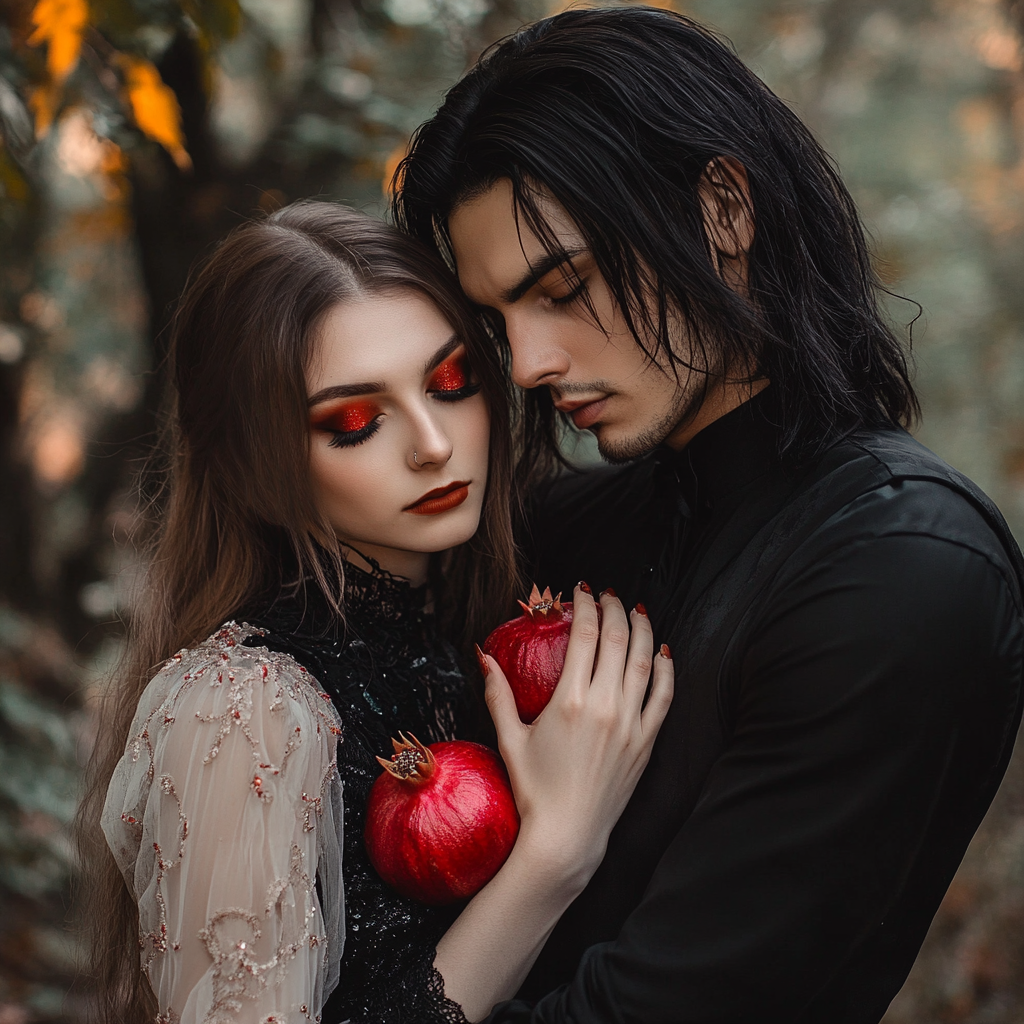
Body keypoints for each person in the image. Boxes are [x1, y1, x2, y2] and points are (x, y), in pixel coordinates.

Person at [393, 8, 1024, 1023]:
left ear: (723, 208)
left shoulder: (902, 573)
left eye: (564, 286)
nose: (532, 363)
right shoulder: (557, 530)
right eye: (498, 322)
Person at [75, 201, 674, 1024]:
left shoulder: (479, 625)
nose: (433, 441)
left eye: (452, 381)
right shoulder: (237, 711)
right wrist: (555, 856)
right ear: (253, 465)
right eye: (355, 421)